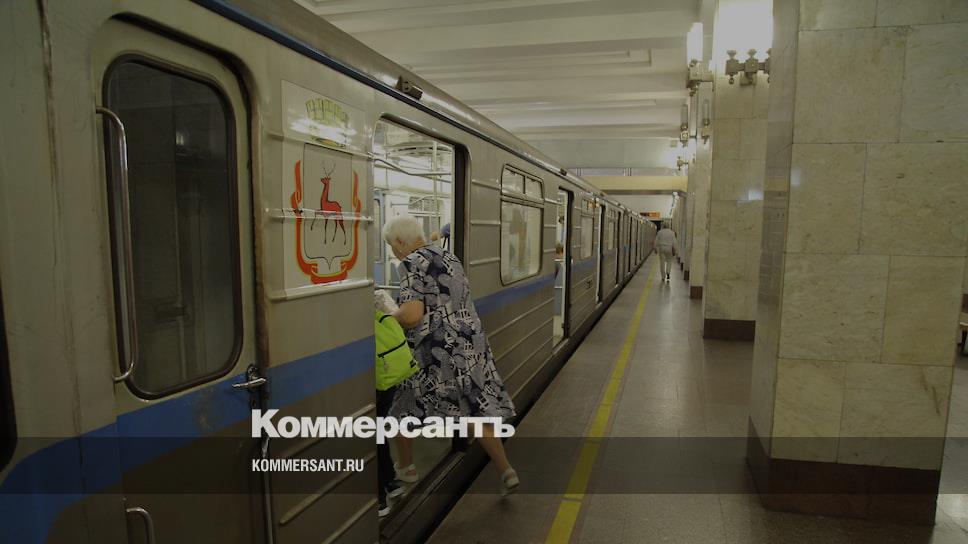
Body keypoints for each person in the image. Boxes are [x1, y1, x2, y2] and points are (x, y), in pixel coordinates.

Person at [382, 215, 520, 495]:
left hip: (432, 351)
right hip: (468, 344)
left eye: (391, 246)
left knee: (402, 406)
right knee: (473, 408)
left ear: (399, 242)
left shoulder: (410, 262)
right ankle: (506, 469)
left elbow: (412, 315)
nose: (394, 252)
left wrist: (387, 313)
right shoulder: (449, 257)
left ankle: (406, 467)